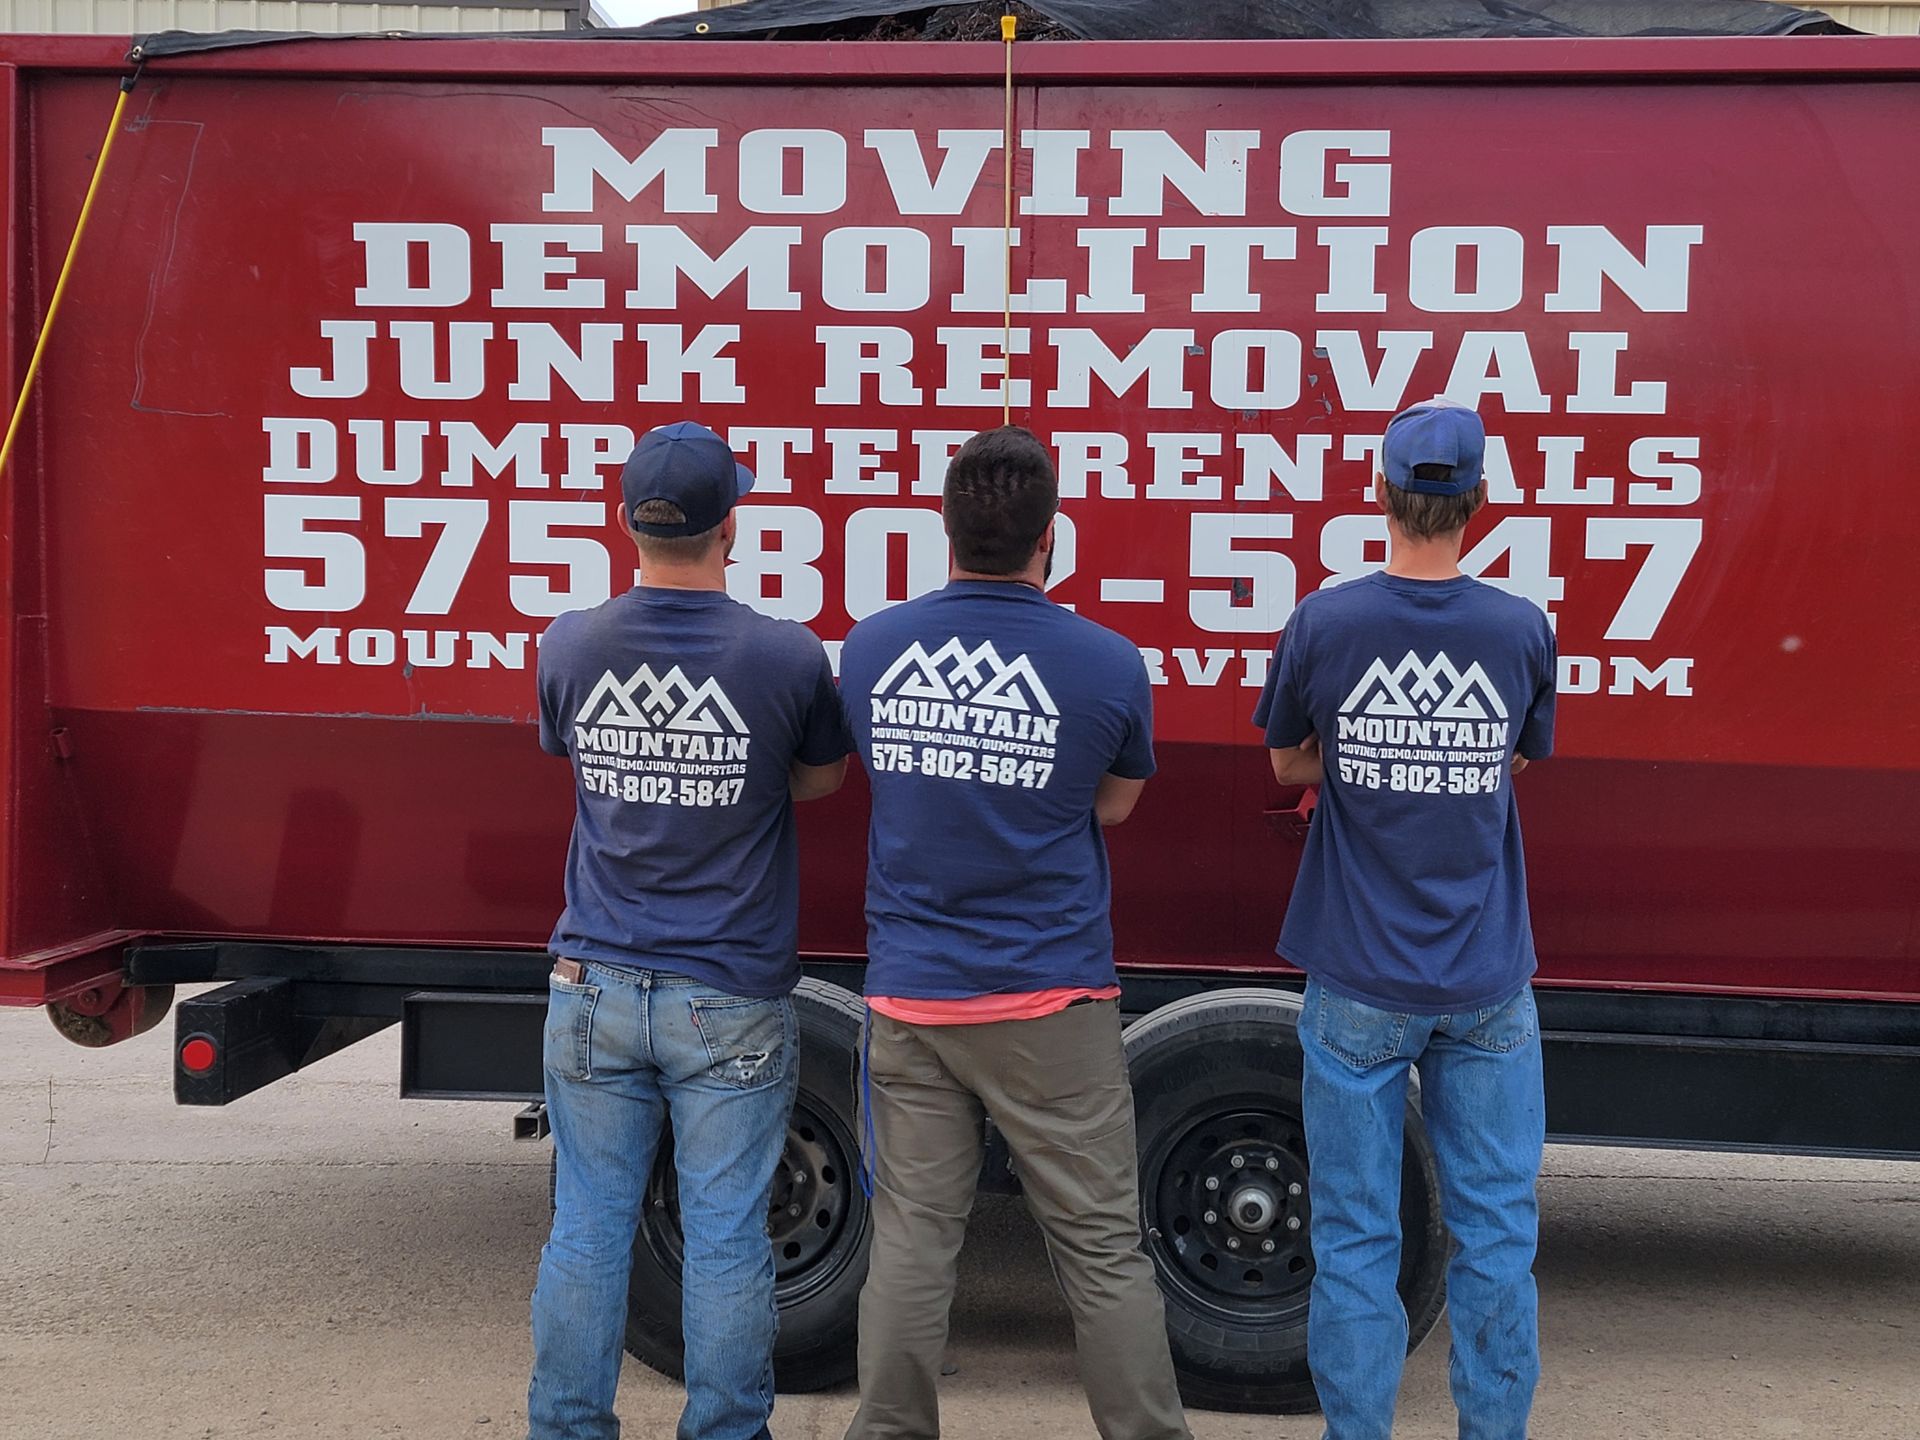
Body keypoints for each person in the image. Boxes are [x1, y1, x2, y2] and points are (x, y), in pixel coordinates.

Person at [837, 426, 1191, 1440]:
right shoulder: (1107, 663)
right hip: (1051, 1000)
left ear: (945, 530)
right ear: (1051, 538)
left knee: (913, 1242)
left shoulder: (872, 647)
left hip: (913, 995)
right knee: (1100, 1251)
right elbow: (1114, 805)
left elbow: (882, 774)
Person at [526, 420, 851, 1440]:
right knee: (724, 1238)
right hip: (728, 992)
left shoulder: (570, 643)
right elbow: (821, 780)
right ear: (731, 527)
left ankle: (566, 1427)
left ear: (626, 523)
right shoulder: (785, 655)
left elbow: (569, 754)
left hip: (592, 981)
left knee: (587, 1227)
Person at [1252, 398, 1557, 1440]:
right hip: (1486, 979)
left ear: (1378, 492)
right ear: (1481, 501)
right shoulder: (1519, 629)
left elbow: (1287, 762)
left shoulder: (1325, 622)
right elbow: (1516, 758)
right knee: (1498, 1236)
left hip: (1357, 975)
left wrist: (1359, 755)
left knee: (1353, 1239)